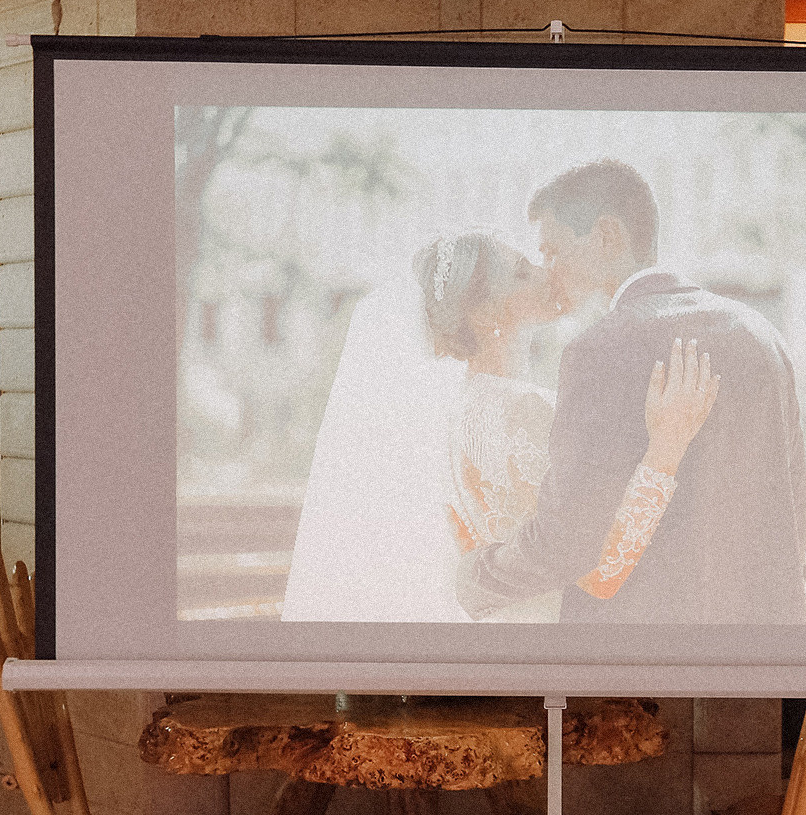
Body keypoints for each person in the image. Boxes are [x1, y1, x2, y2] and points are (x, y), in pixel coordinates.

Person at [280, 227, 717, 622]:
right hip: (551, 650)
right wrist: (668, 445)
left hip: (504, 635)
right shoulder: (526, 411)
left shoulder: (456, 413)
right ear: (485, 316)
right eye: (524, 272)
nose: (546, 271)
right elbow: (601, 573)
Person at [456, 159, 806, 624]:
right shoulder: (762, 335)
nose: (549, 271)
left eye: (553, 251)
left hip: (640, 665)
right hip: (762, 655)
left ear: (606, 236)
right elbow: (792, 515)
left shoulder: (600, 349)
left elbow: (567, 540)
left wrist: (473, 577)